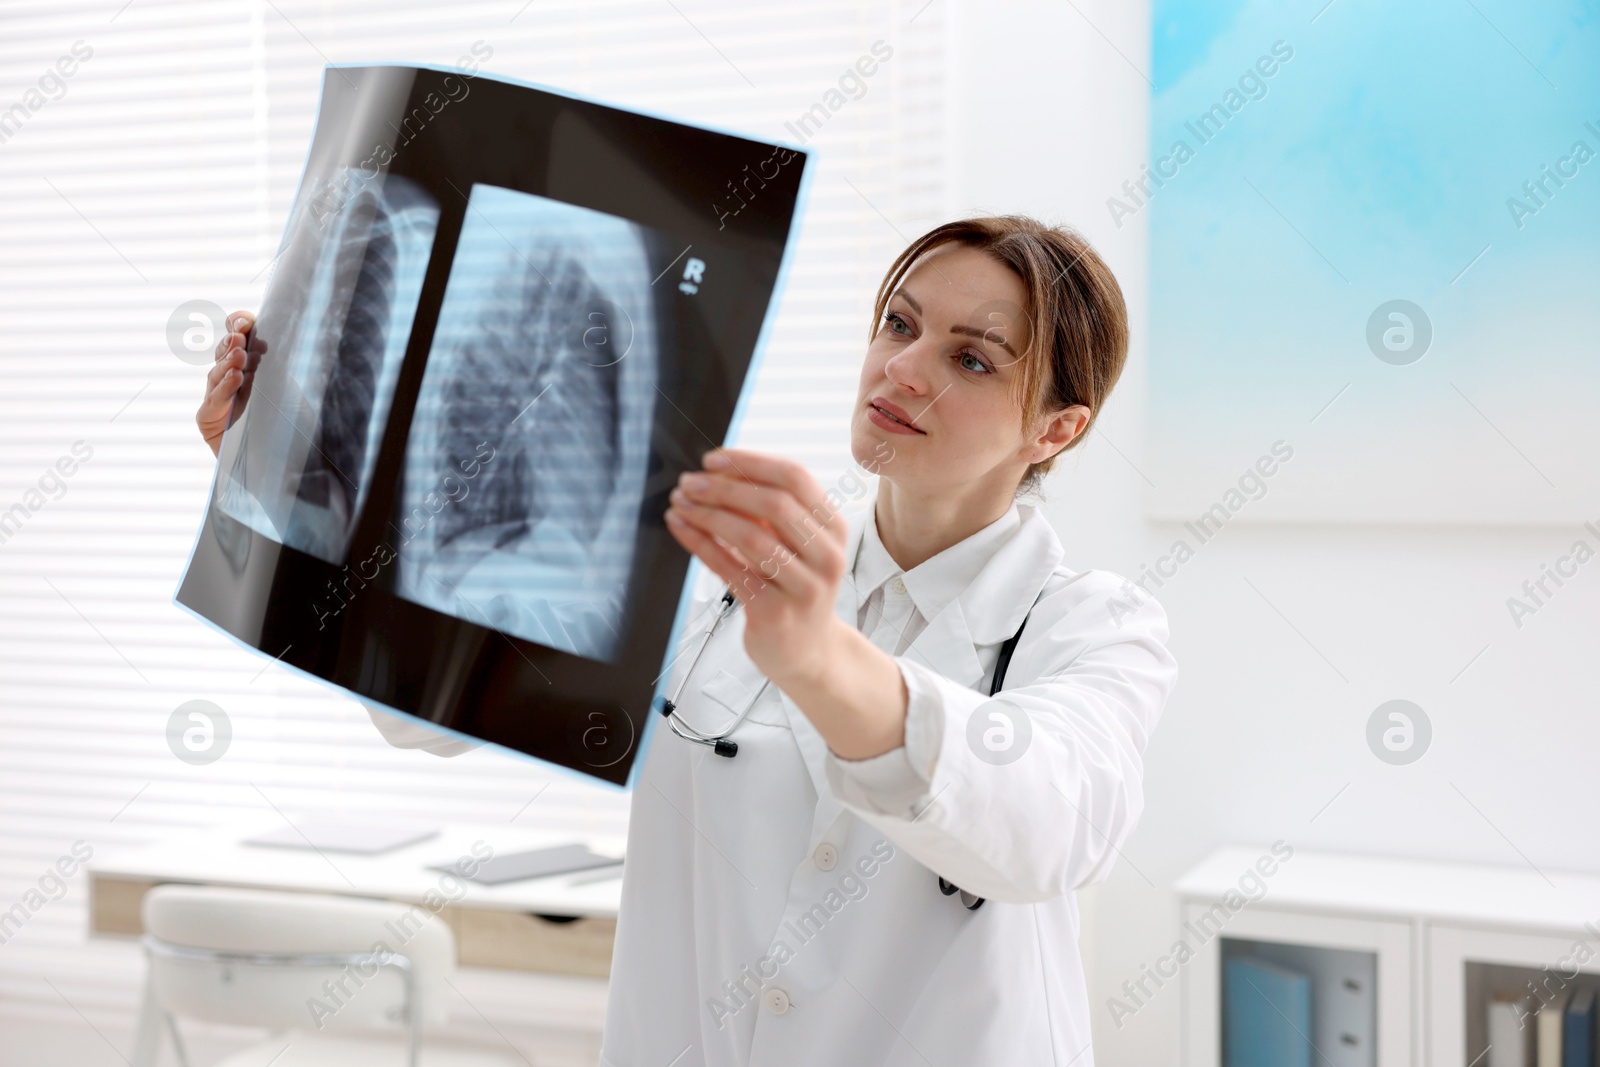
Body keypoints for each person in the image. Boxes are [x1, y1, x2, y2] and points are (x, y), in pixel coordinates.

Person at [199, 215, 1177, 1066]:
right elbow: (438, 698)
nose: (902, 369)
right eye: (899, 322)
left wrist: (816, 659)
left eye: (970, 358)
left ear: (1055, 429)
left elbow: (1044, 829)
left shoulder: (1094, 625)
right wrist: (283, 470)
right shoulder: (713, 568)